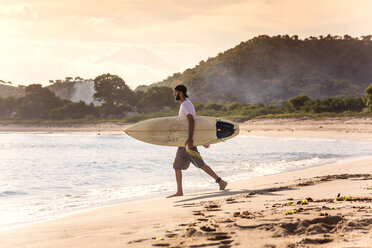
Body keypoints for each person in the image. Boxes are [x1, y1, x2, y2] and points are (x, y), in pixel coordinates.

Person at [167, 85, 228, 198]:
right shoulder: (183, 105)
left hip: (188, 142)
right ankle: (180, 191)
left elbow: (192, 120)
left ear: (180, 93)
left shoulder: (186, 104)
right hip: (183, 142)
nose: (174, 94)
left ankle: (221, 182)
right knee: (177, 166)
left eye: (175, 92)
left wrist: (191, 139)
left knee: (201, 165)